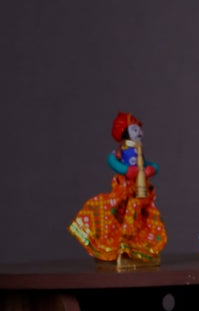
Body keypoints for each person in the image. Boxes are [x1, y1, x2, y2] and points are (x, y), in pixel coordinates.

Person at [68, 113, 168, 264]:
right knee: (118, 213)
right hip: (124, 190)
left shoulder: (139, 151)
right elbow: (112, 162)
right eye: (135, 130)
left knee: (141, 216)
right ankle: (119, 246)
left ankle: (137, 248)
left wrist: (151, 169)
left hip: (139, 191)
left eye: (139, 130)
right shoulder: (121, 152)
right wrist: (126, 170)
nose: (139, 133)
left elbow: (151, 165)